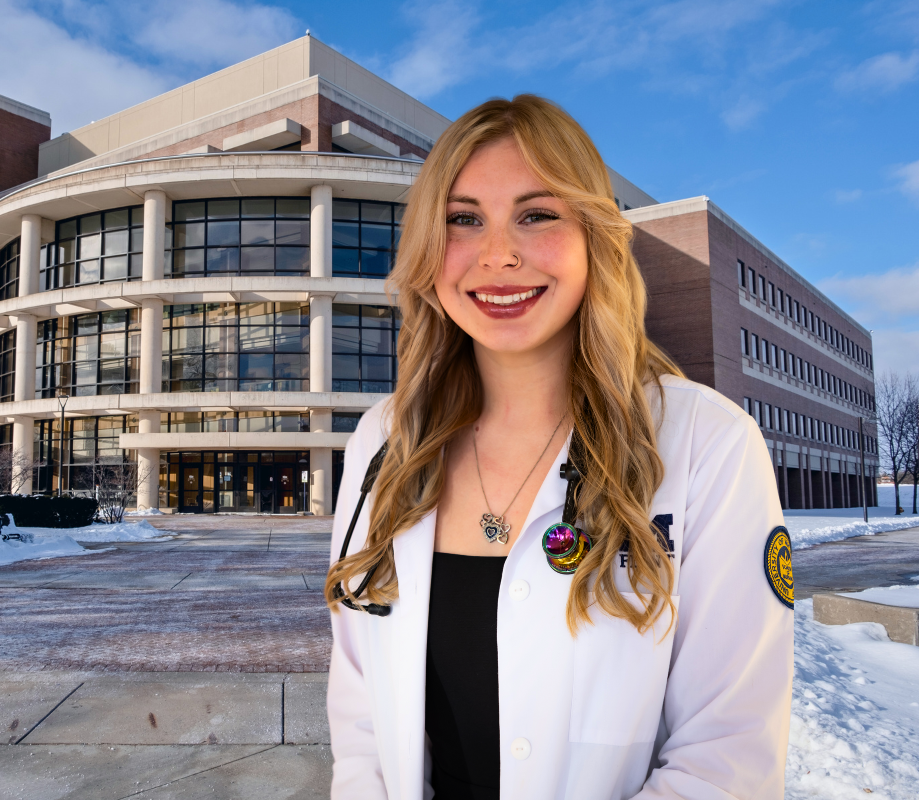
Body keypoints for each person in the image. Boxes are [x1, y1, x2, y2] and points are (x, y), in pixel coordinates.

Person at [324, 95, 794, 800]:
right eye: (463, 219)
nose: (499, 254)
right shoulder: (384, 441)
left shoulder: (708, 445)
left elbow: (729, 757)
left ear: (593, 236)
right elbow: (360, 711)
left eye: (536, 214)